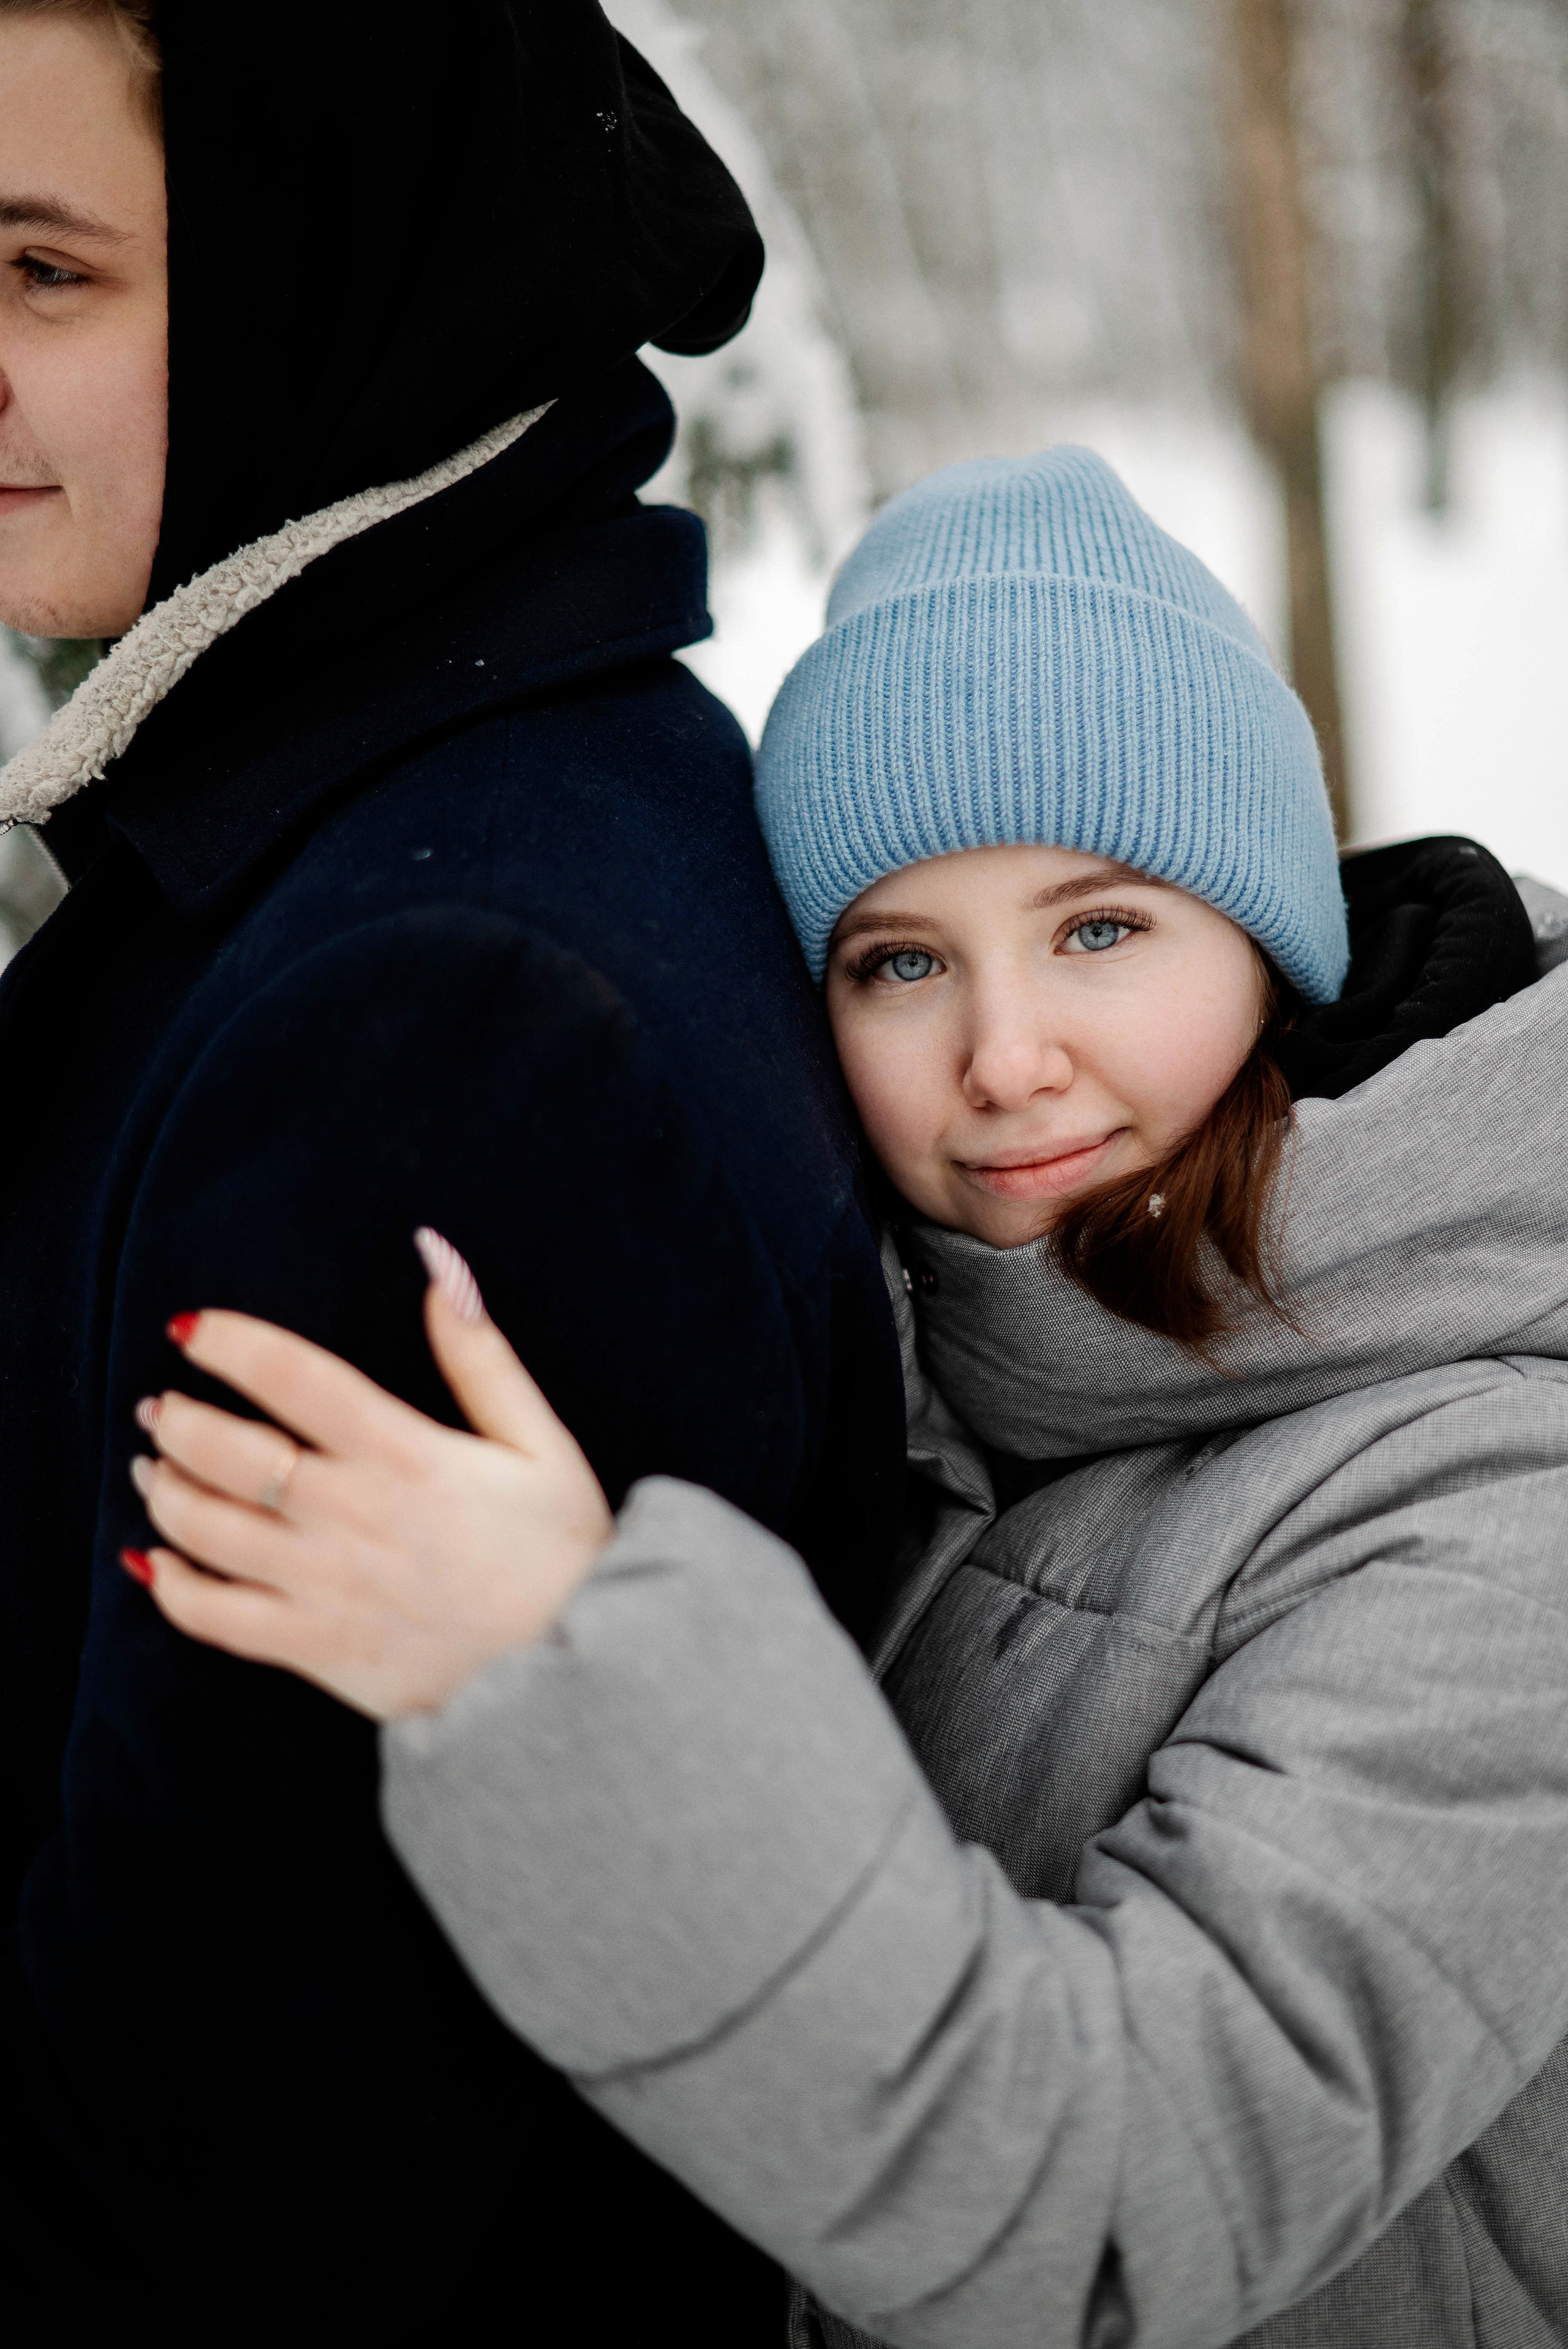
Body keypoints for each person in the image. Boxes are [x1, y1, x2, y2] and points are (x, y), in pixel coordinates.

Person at [129, 449, 1568, 2349]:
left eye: (1100, 927)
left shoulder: (1501, 1504)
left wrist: (575, 1672)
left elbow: (1130, 2196)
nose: (1007, 1056)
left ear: (1270, 934)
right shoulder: (923, 1354)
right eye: (902, 962)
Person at [0, 1, 905, 2337]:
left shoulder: (429, 1027)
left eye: (45, 271)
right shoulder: (469, 790)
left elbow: (215, 2175)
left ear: (332, 277)